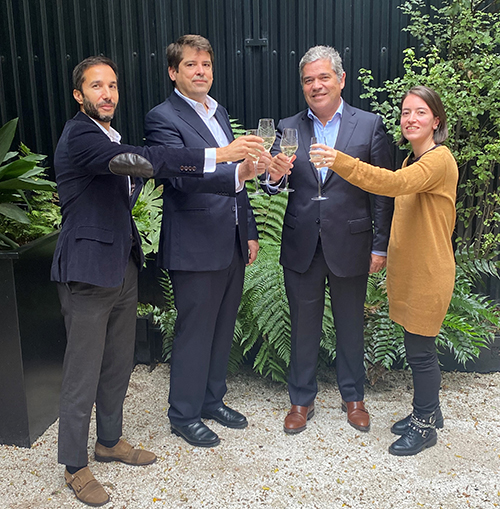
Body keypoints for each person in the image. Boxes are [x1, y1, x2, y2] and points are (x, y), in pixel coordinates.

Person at [52, 55, 264, 507]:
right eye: (96, 86)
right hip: (86, 270)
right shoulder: (81, 136)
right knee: (82, 372)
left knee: (118, 363)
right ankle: (74, 465)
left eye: (112, 85)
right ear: (78, 94)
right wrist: (219, 155)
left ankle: (109, 442)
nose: (107, 94)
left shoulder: (108, 135)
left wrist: (240, 172)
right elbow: (143, 160)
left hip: (121, 266)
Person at [144, 35, 286, 448]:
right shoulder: (162, 118)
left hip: (231, 239)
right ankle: (183, 414)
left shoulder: (217, 111)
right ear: (173, 72)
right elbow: (178, 176)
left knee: (223, 327)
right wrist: (237, 168)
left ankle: (211, 400)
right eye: (191, 64)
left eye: (205, 64)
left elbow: (238, 181)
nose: (200, 71)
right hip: (194, 244)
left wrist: (250, 229)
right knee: (195, 331)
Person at [311, 85, 458, 456]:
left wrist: (339, 160)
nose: (411, 119)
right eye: (406, 112)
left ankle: (425, 425)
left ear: (436, 120)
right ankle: (429, 410)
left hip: (429, 272)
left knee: (420, 351)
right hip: (411, 271)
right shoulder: (412, 160)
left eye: (420, 112)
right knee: (417, 346)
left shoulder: (438, 161)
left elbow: (391, 185)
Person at [267, 45, 394, 435]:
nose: (316, 86)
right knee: (302, 326)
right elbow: (273, 185)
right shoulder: (288, 127)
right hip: (302, 243)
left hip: (351, 242)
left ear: (341, 79)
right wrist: (273, 176)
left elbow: (382, 191)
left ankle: (353, 396)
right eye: (308, 80)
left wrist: (380, 245)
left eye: (323, 77)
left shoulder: (368, 125)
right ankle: (301, 400)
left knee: (350, 325)